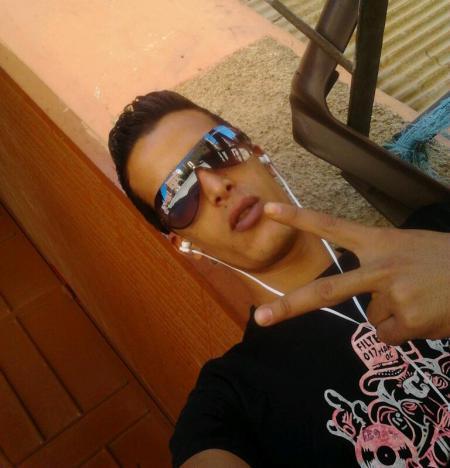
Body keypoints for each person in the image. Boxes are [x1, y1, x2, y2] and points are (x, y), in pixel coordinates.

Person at [108, 90, 450, 467]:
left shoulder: (436, 235)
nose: (216, 187)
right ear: (182, 242)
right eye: (178, 196)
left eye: (216, 150)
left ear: (257, 153)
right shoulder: (232, 400)